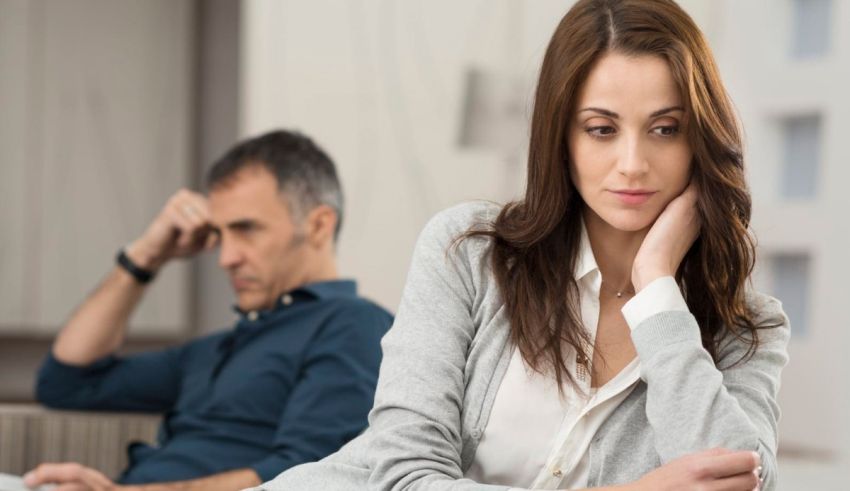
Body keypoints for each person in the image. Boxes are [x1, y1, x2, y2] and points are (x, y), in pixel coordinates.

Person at [251, 1, 790, 490]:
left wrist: (656, 289)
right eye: (601, 129)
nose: (633, 163)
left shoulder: (747, 328)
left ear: (700, 138)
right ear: (561, 138)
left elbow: (741, 483)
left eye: (666, 129)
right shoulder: (467, 252)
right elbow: (405, 476)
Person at [23, 130, 393, 491]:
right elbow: (66, 383)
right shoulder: (215, 348)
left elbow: (305, 474)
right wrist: (146, 256)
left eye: (246, 229)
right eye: (219, 234)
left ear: (318, 225)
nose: (225, 258)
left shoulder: (354, 324)